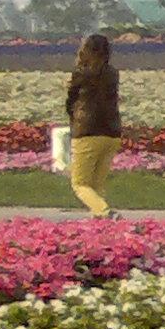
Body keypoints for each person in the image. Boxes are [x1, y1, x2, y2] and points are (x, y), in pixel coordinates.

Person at [62, 32, 122, 218]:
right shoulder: (112, 74)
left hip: (87, 132)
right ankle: (100, 223)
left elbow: (70, 101)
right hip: (112, 133)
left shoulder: (80, 74)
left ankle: (106, 213)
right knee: (96, 185)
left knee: (80, 183)